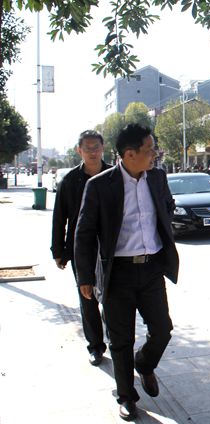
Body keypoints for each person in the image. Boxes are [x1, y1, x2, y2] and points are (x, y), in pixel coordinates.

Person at [74, 124, 179, 421]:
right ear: (129, 154)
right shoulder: (100, 185)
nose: (154, 154)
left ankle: (144, 364)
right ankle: (127, 397)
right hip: (117, 274)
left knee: (162, 330)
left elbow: (167, 207)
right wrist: (85, 277)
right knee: (121, 340)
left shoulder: (157, 178)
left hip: (151, 269)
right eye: (149, 149)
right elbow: (84, 233)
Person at [51, 130, 110, 366]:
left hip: (112, 248)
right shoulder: (70, 181)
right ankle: (95, 345)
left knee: (113, 296)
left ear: (103, 148)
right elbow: (59, 218)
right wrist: (58, 251)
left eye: (96, 147)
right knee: (87, 298)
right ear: (79, 150)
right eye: (88, 148)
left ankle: (116, 339)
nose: (93, 152)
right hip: (81, 249)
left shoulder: (114, 176)